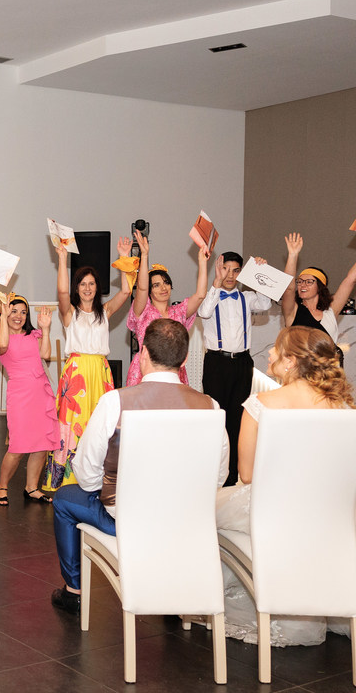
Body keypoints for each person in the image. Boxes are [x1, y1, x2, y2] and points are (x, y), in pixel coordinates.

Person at [50, 318, 227, 614]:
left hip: (127, 519)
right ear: (184, 359)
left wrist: (108, 490)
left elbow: (87, 474)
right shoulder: (210, 406)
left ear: (143, 353)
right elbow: (217, 476)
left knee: (65, 498)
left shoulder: (115, 402)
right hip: (185, 519)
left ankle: (74, 591)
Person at [215, 326, 354, 645]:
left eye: (276, 348)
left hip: (274, 507)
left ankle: (204, 597)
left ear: (290, 361)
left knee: (204, 511)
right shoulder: (345, 408)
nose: (269, 353)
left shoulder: (261, 404)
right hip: (328, 512)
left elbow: (247, 475)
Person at [44, 238, 132, 492]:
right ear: (77, 287)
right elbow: (62, 293)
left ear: (97, 287)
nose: (87, 288)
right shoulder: (70, 312)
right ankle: (67, 477)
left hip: (100, 372)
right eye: (83, 284)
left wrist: (124, 258)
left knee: (101, 424)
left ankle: (99, 475)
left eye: (91, 283)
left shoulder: (105, 311)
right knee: (71, 425)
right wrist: (62, 258)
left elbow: (126, 292)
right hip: (77, 373)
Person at [197, 250, 273, 486]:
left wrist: (259, 272)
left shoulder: (247, 298)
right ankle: (212, 472)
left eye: (236, 270)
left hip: (242, 363)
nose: (230, 275)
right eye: (226, 269)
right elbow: (204, 312)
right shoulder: (211, 296)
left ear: (241, 273)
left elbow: (265, 303)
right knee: (216, 416)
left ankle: (232, 475)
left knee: (237, 417)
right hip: (216, 363)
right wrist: (216, 283)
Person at [0, 296, 60, 504]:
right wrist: (2, 317)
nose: (19, 316)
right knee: (18, 446)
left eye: (23, 312)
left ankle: (31, 488)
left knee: (41, 445)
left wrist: (45, 329)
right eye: (14, 311)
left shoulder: (33, 335)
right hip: (20, 395)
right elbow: (2, 346)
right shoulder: (0, 338)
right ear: (6, 313)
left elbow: (46, 355)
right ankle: (2, 487)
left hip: (41, 393)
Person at [123, 230, 209, 386]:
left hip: (174, 372)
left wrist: (202, 262)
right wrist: (144, 255)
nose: (163, 288)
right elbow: (141, 288)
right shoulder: (142, 311)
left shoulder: (179, 311)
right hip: (145, 371)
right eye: (156, 285)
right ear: (150, 291)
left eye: (166, 283)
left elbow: (200, 295)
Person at [280, 232, 356, 343]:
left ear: (320, 287)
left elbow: (350, 280)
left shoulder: (331, 310)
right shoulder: (292, 311)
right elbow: (288, 289)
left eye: (309, 282)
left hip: (330, 355)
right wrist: (292, 255)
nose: (303, 285)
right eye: (300, 281)